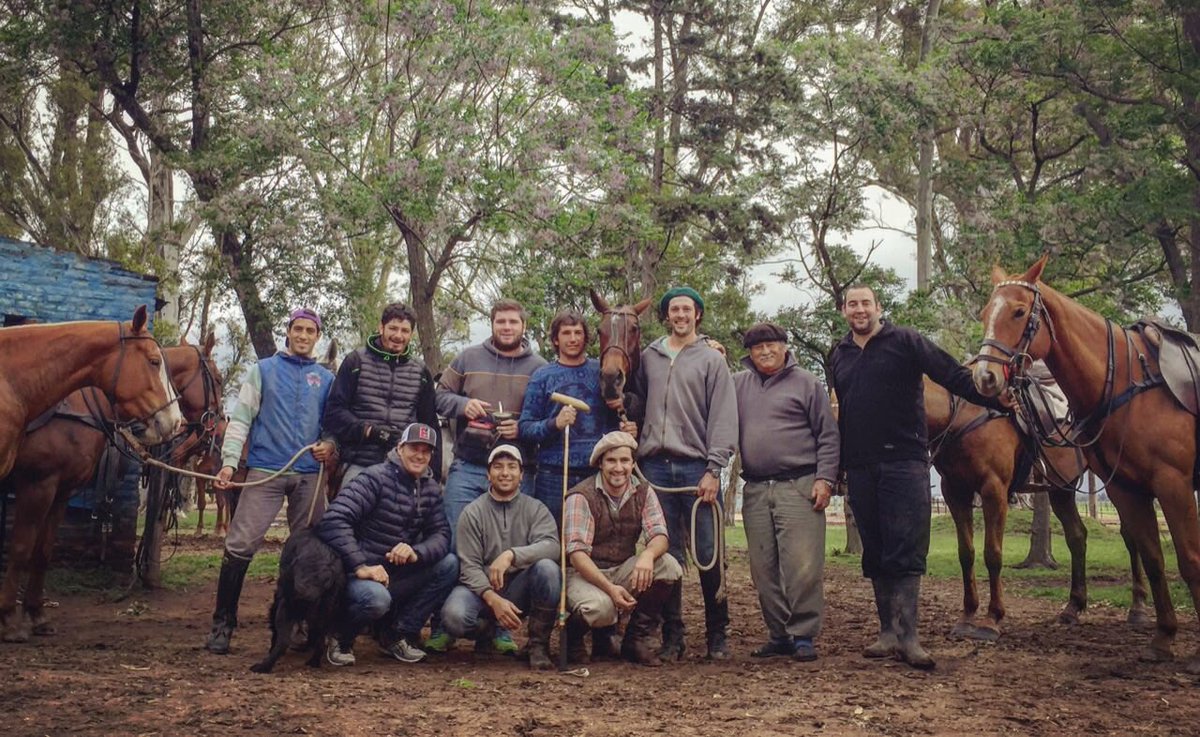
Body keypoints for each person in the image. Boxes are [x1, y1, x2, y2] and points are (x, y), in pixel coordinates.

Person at [829, 285, 1007, 670]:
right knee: (875, 550)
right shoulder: (838, 354)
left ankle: (909, 637)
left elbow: (952, 374)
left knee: (906, 548)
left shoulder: (906, 340)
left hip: (905, 462)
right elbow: (845, 407)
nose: (859, 310)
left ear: (878, 307)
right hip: (860, 466)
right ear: (844, 311)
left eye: (866, 303)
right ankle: (886, 633)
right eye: (852, 305)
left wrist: (995, 397)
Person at [205, 307, 337, 655]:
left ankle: (298, 624)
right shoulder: (262, 370)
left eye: (311, 331)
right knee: (239, 545)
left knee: (309, 551)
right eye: (298, 329)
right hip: (266, 470)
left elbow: (333, 424)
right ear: (288, 332)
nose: (304, 336)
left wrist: (330, 444)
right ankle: (223, 623)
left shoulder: (325, 380)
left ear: (317, 337)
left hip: (309, 474)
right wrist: (230, 463)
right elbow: (241, 419)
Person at [620, 285, 737, 660]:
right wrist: (629, 425)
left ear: (697, 314)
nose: (681, 315)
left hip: (696, 467)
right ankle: (674, 636)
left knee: (708, 552)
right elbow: (636, 401)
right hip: (655, 466)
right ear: (667, 315)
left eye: (687, 309)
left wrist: (714, 467)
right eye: (674, 310)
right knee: (666, 556)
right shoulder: (651, 356)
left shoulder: (712, 360)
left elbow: (723, 416)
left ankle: (717, 634)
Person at [429, 299, 546, 654]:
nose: (506, 327)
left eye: (513, 322)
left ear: (523, 326)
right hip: (469, 465)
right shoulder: (467, 358)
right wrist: (464, 406)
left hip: (514, 469)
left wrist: (520, 427)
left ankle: (501, 628)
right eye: (500, 321)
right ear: (492, 324)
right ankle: (442, 623)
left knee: (509, 545)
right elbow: (439, 397)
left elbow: (543, 418)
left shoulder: (538, 367)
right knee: (453, 545)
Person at [732, 322, 840, 662]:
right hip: (756, 487)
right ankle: (778, 634)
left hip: (800, 483)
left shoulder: (807, 383)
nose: (765, 351)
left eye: (772, 345)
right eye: (758, 346)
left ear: (784, 346)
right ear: (749, 352)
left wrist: (825, 478)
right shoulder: (738, 384)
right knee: (763, 568)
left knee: (802, 566)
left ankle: (803, 633)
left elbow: (828, 435)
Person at [315, 422, 458, 666]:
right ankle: (341, 637)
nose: (420, 455)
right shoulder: (373, 478)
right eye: (414, 447)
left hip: (395, 574)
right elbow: (334, 520)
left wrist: (416, 552)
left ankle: (396, 633)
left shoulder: (430, 488)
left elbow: (442, 534)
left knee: (450, 564)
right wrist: (360, 565)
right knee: (376, 599)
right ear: (400, 447)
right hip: (357, 575)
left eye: (426, 451)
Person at [563, 431, 682, 666]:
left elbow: (660, 534)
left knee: (669, 566)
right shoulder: (581, 496)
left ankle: (635, 639)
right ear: (600, 463)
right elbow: (577, 556)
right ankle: (572, 637)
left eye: (625, 460)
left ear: (633, 463)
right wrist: (610, 589)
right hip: (584, 575)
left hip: (621, 568)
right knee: (601, 608)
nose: (619, 468)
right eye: (611, 461)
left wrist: (647, 554)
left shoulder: (644, 492)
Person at [440, 444, 561, 669]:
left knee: (548, 569)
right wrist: (492, 598)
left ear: (522, 475)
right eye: (498, 467)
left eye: (511, 467)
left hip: (519, 588)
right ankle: (486, 631)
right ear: (488, 474)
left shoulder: (536, 509)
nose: (505, 473)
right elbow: (468, 566)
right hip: (481, 590)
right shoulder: (473, 512)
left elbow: (552, 546)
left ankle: (538, 645)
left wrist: (511, 555)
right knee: (454, 617)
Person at [518, 309, 637, 526]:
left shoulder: (602, 372)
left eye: (578, 333)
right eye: (566, 333)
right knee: (554, 543)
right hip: (552, 477)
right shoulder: (542, 376)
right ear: (556, 338)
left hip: (595, 475)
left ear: (586, 337)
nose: (573, 339)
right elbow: (525, 428)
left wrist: (626, 429)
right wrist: (555, 423)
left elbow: (615, 420)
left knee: (593, 541)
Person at [323, 301, 441, 488]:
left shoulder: (420, 371)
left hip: (404, 465)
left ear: (412, 334)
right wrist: (369, 431)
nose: (398, 336)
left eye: (404, 331)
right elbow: (334, 412)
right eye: (393, 328)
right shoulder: (355, 361)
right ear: (381, 327)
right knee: (347, 514)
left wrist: (433, 474)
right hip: (359, 462)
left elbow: (429, 423)